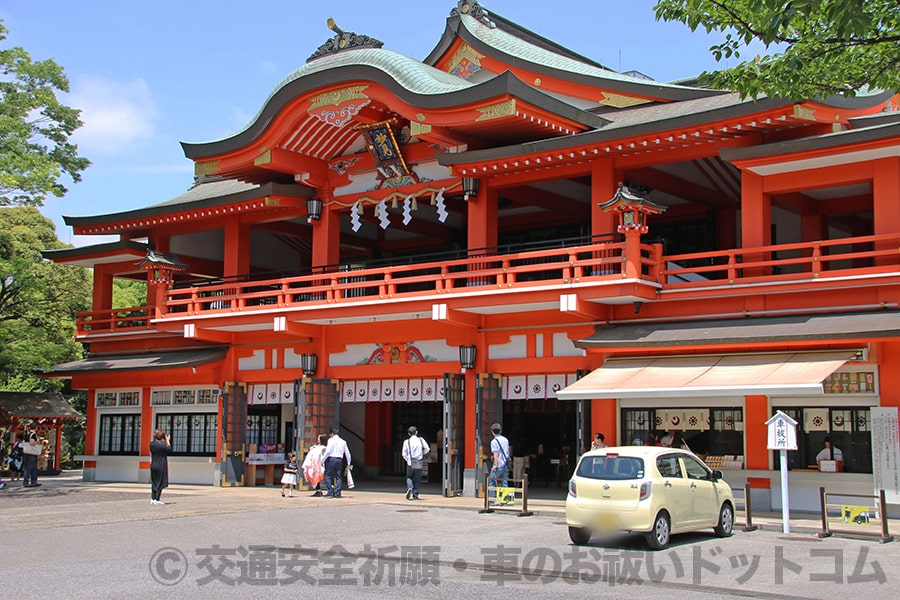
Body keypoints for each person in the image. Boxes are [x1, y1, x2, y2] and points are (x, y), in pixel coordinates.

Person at [401, 425, 429, 500]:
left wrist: (408, 460)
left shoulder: (406, 442)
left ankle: (410, 487)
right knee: (417, 479)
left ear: (409, 434)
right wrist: (422, 454)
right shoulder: (421, 440)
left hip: (410, 463)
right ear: (416, 432)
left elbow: (404, 454)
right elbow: (427, 449)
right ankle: (415, 494)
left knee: (409, 477)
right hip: (419, 462)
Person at [322, 427, 351, 498]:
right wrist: (348, 463)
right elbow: (347, 453)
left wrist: (322, 460)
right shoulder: (343, 441)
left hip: (332, 459)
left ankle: (330, 492)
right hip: (339, 459)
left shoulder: (331, 440)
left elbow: (328, 451)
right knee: (338, 476)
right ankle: (338, 493)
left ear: (331, 433)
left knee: (328, 476)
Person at [489, 423, 511, 504]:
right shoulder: (505, 439)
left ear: (492, 432)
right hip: (505, 464)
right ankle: (505, 500)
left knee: (492, 481)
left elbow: (495, 454)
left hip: (499, 464)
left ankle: (491, 501)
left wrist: (495, 464)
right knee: (504, 482)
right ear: (500, 431)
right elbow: (508, 451)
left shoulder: (494, 441)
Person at [149, 429, 172, 505]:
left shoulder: (152, 444)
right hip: (160, 465)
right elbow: (169, 450)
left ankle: (153, 498)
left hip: (153, 464)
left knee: (154, 482)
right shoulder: (162, 445)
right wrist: (168, 441)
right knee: (160, 482)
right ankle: (157, 498)